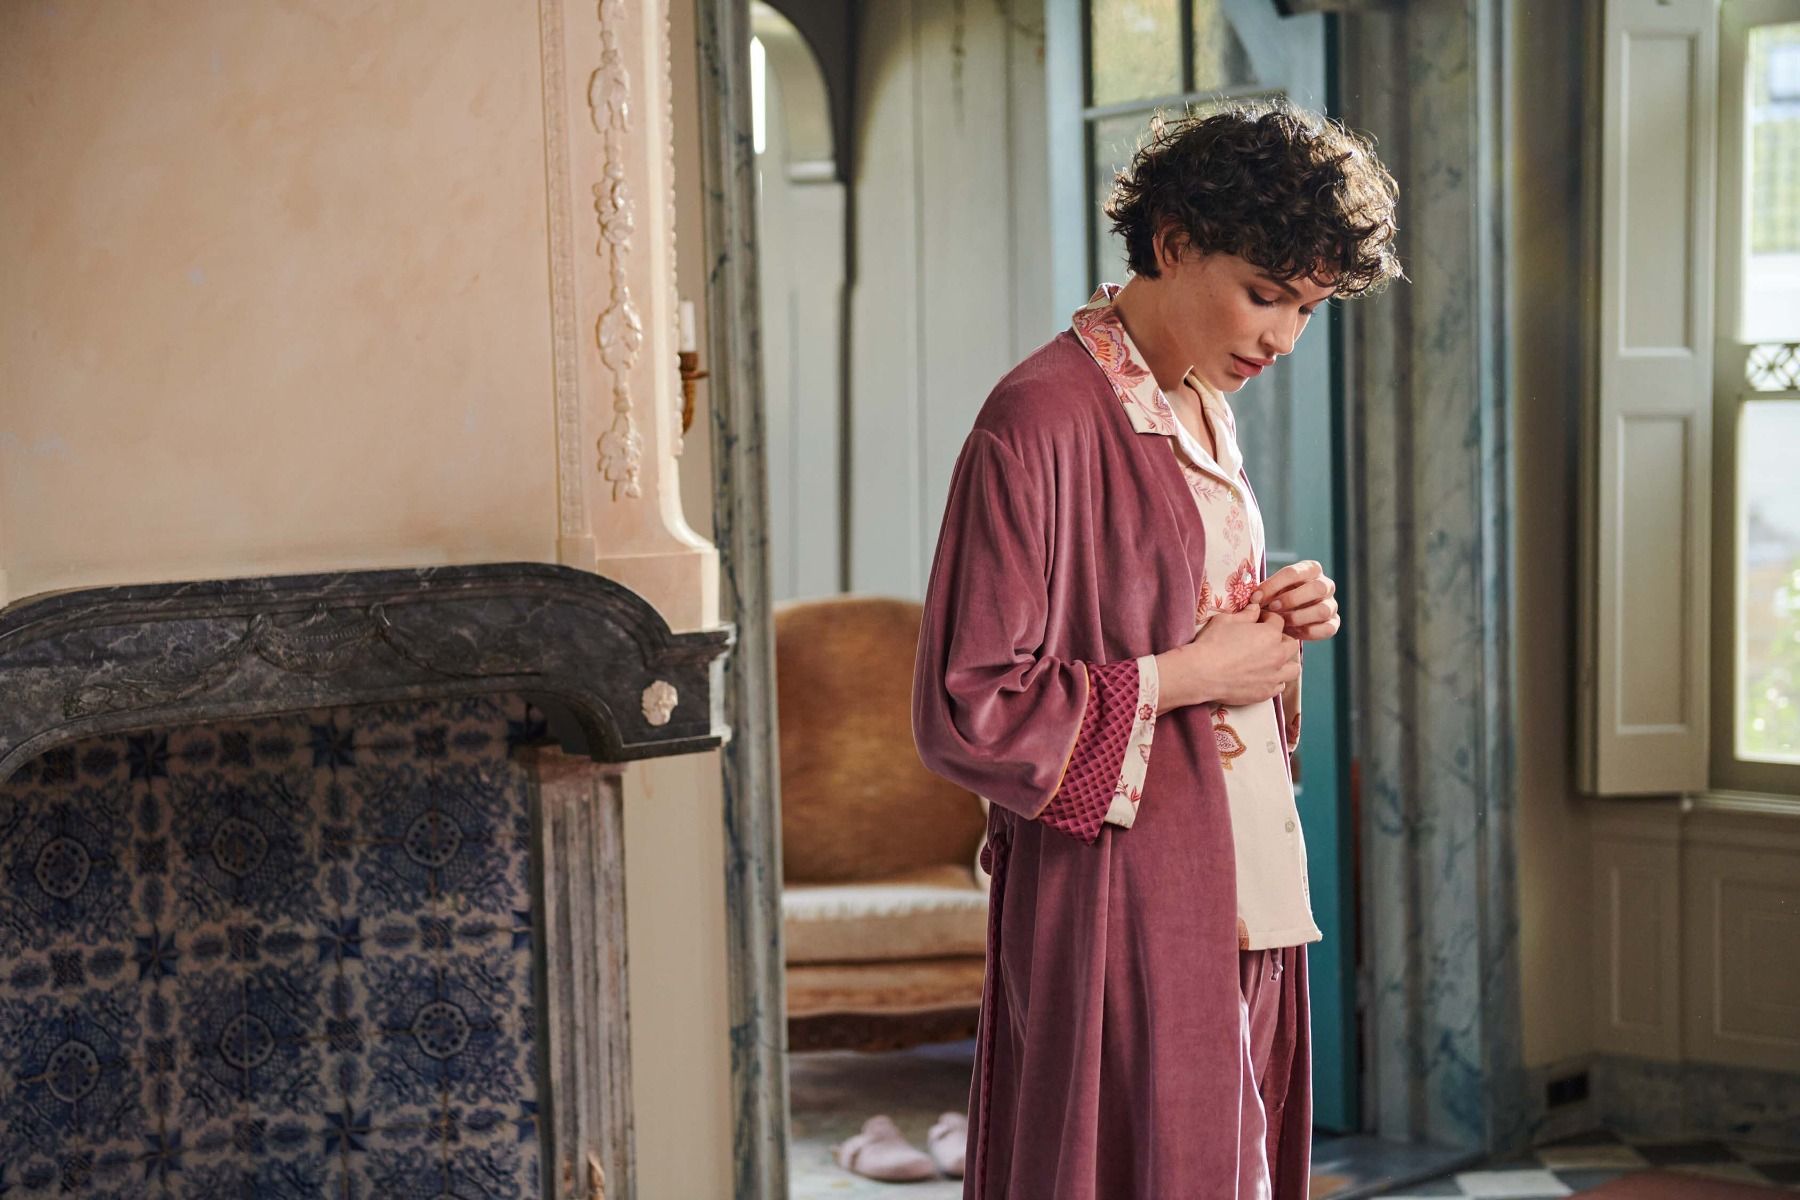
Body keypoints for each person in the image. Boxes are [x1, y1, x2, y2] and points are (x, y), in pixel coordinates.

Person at [911, 100, 1400, 1200]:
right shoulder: (1035, 420)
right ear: (1172, 242)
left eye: (1310, 308)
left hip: (1244, 869)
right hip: (1121, 891)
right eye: (1265, 294)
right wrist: (1194, 675)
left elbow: (1184, 621)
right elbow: (968, 705)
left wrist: (1280, 618)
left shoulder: (1197, 404)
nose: (1282, 338)